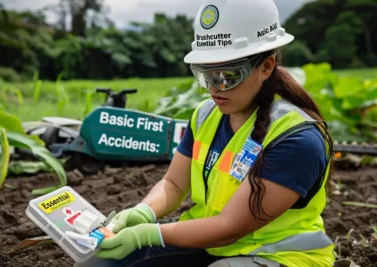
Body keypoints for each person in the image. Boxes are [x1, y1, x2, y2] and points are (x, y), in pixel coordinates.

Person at [76, 0, 336, 266]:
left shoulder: (297, 139)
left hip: (280, 256)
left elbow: (229, 227)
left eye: (228, 75)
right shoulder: (205, 115)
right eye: (205, 75)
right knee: (98, 263)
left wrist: (148, 235)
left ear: (267, 66)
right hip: (212, 244)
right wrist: (144, 211)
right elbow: (174, 184)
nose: (214, 88)